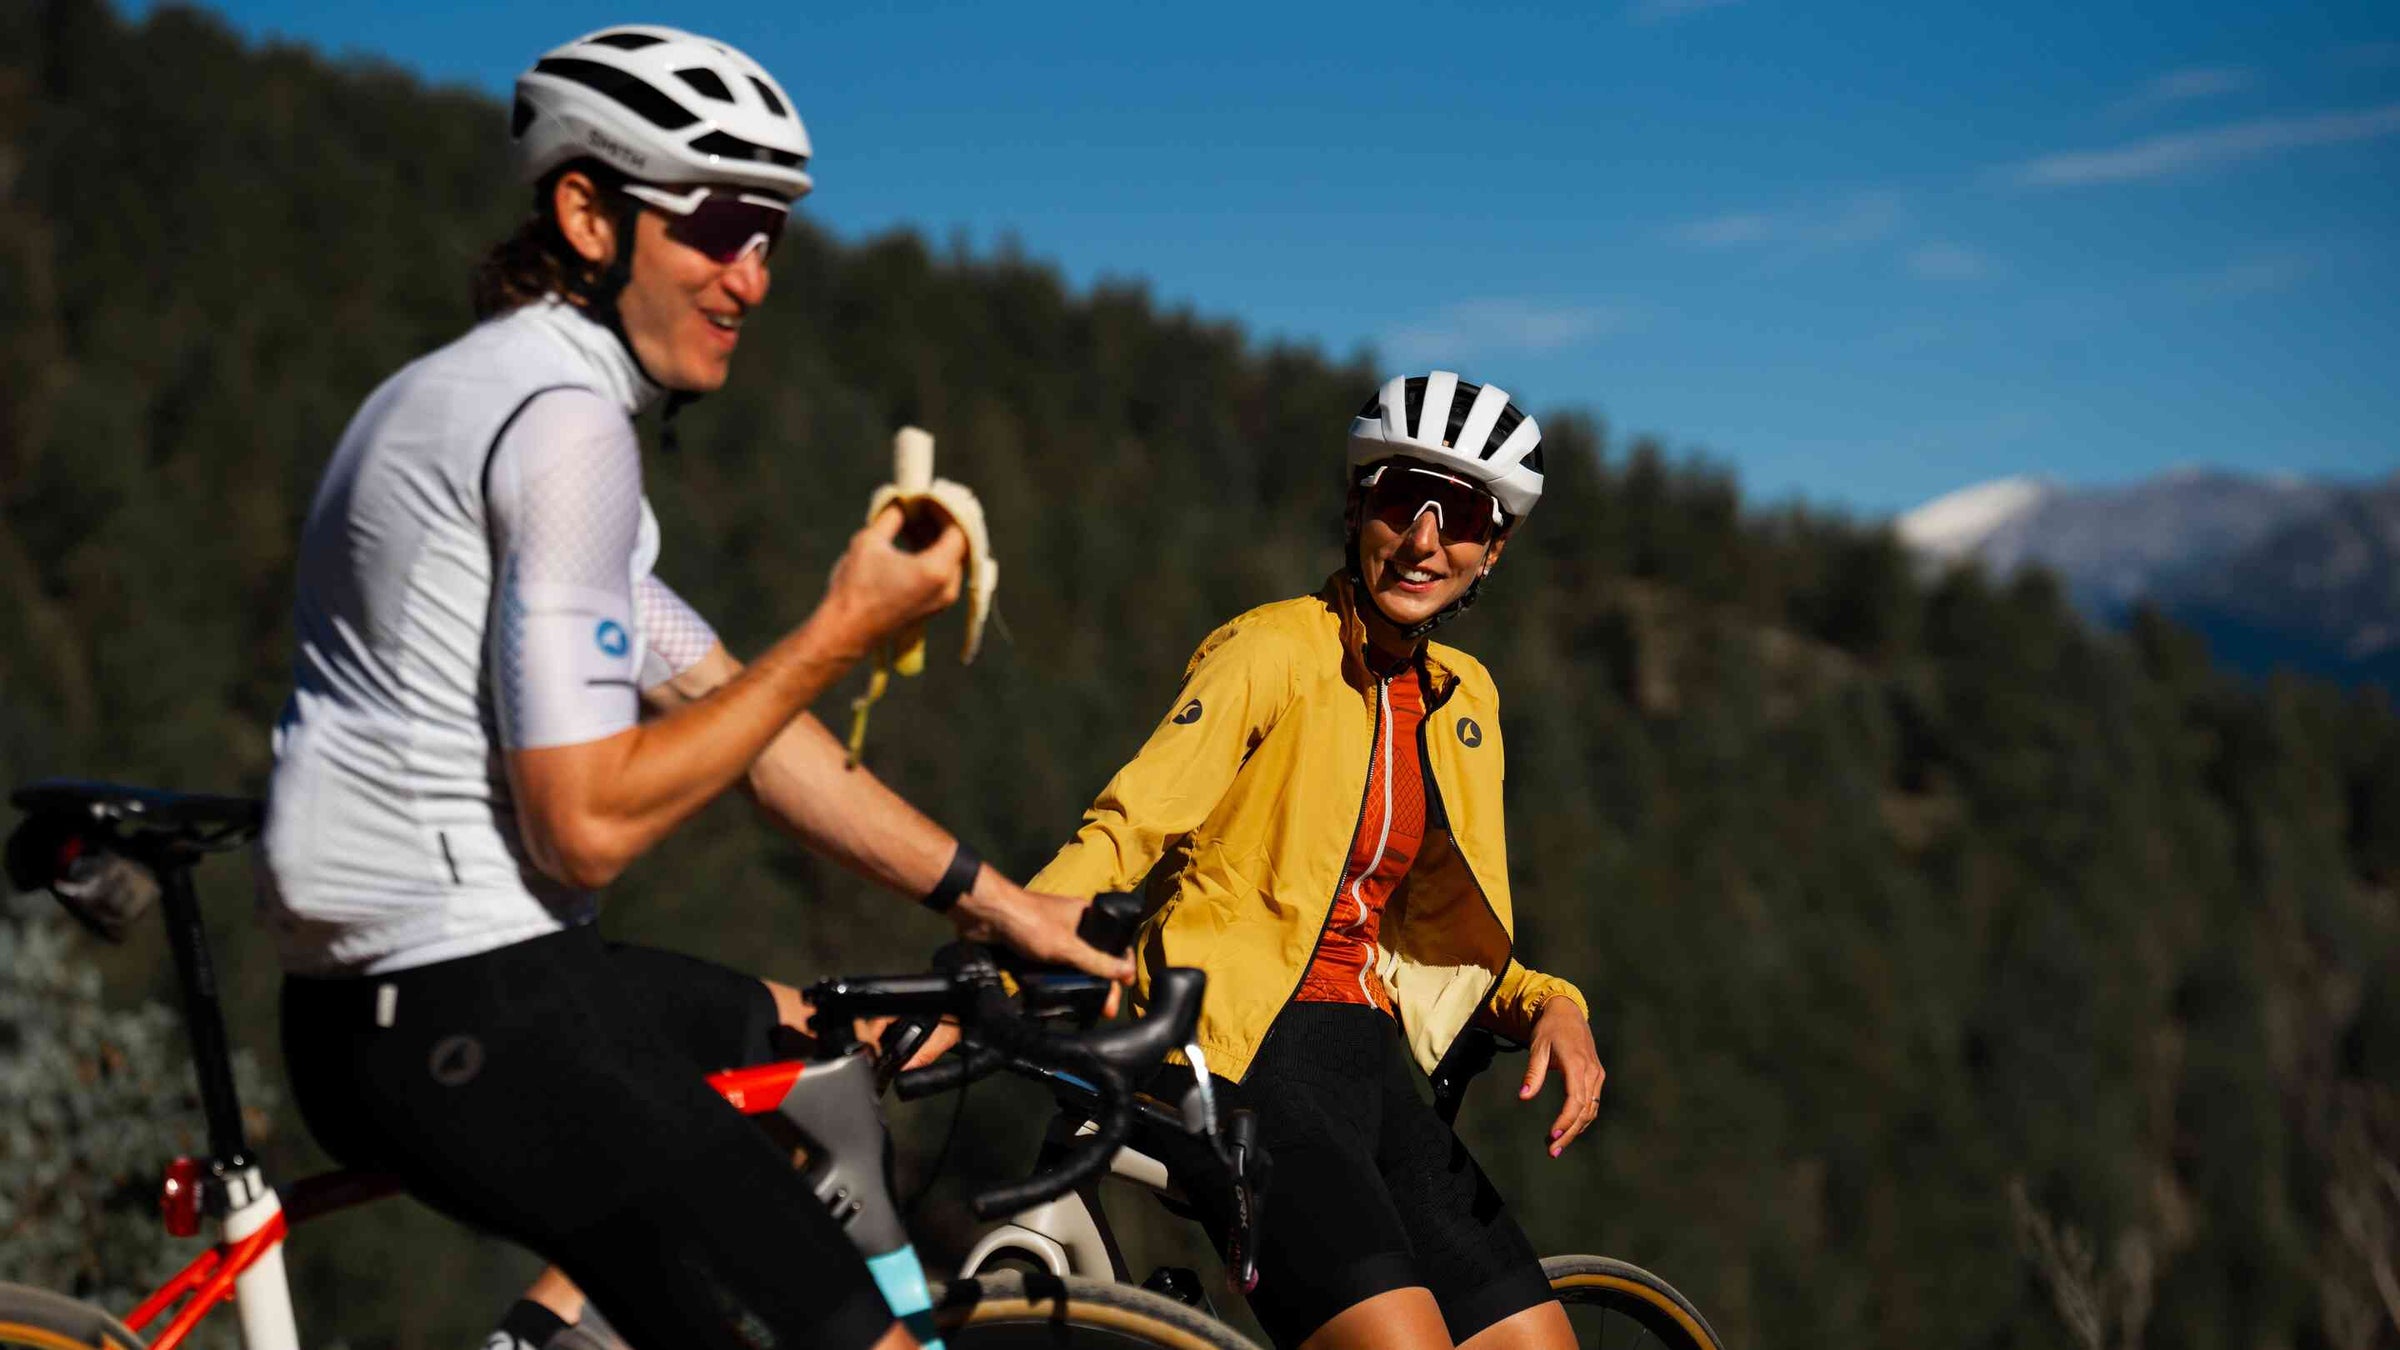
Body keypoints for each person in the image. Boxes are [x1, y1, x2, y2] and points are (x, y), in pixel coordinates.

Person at [257, 26, 1128, 1350]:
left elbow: (743, 713)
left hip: (414, 1003)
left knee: (798, 1034)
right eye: (720, 226)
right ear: (588, 211)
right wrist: (841, 630)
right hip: (473, 1012)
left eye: (772, 234)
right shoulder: (562, 430)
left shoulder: (482, 394)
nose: (753, 276)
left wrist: (1003, 907)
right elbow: (585, 823)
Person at [1027, 372, 1605, 1350]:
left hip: (1368, 1072)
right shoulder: (1271, 651)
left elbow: (1433, 934)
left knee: (1537, 1345)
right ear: (1356, 505)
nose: (1423, 541)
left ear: (1492, 548)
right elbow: (1127, 827)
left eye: (1459, 515)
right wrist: (1011, 935)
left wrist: (1552, 1004)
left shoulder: (1468, 703)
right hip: (1239, 1053)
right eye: (1398, 501)